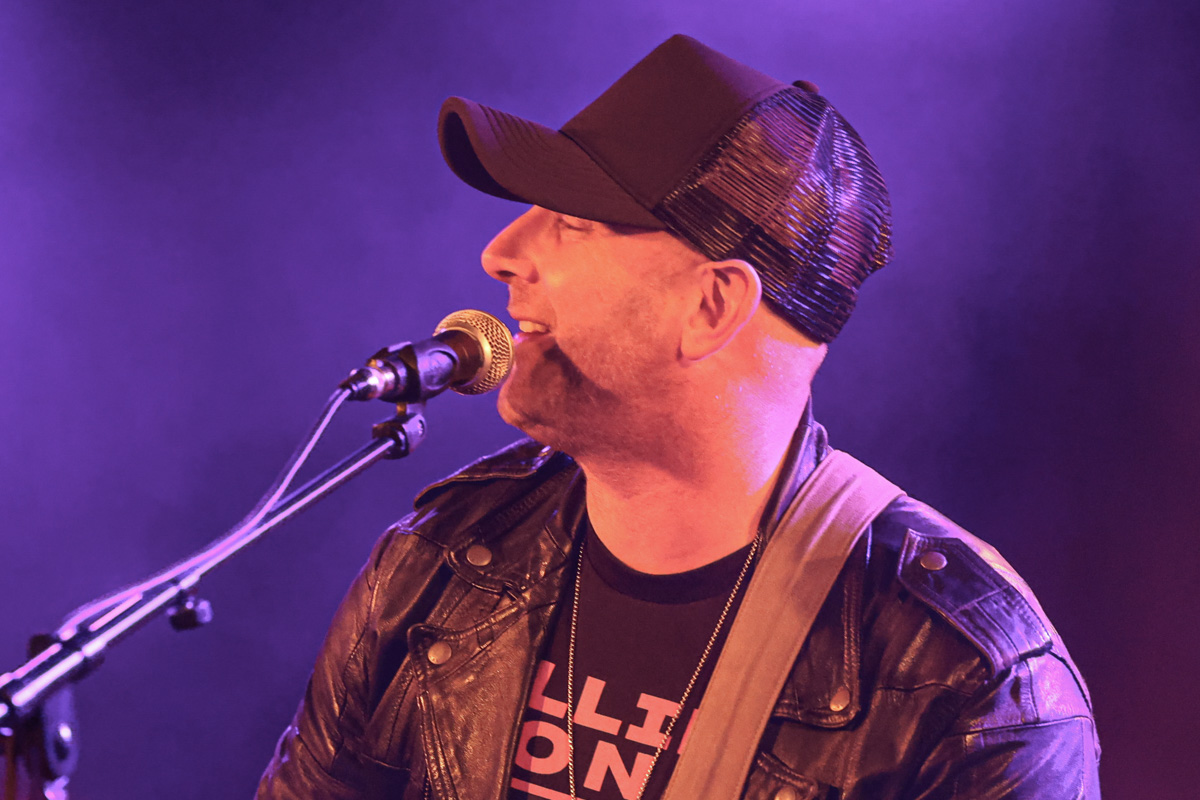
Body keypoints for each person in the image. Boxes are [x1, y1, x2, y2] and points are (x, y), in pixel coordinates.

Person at [256, 34, 1100, 800]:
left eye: (572, 222)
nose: (501, 253)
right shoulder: (440, 561)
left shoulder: (971, 680)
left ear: (712, 306)